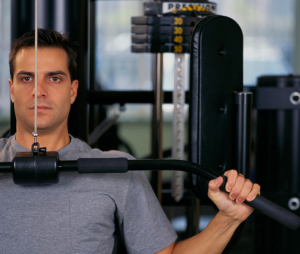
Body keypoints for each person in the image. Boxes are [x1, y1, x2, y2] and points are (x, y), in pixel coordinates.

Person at [0, 29, 260, 254]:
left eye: (54, 78)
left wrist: (229, 218)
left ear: (73, 90)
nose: (39, 90)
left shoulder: (116, 169)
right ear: (12, 89)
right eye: (27, 78)